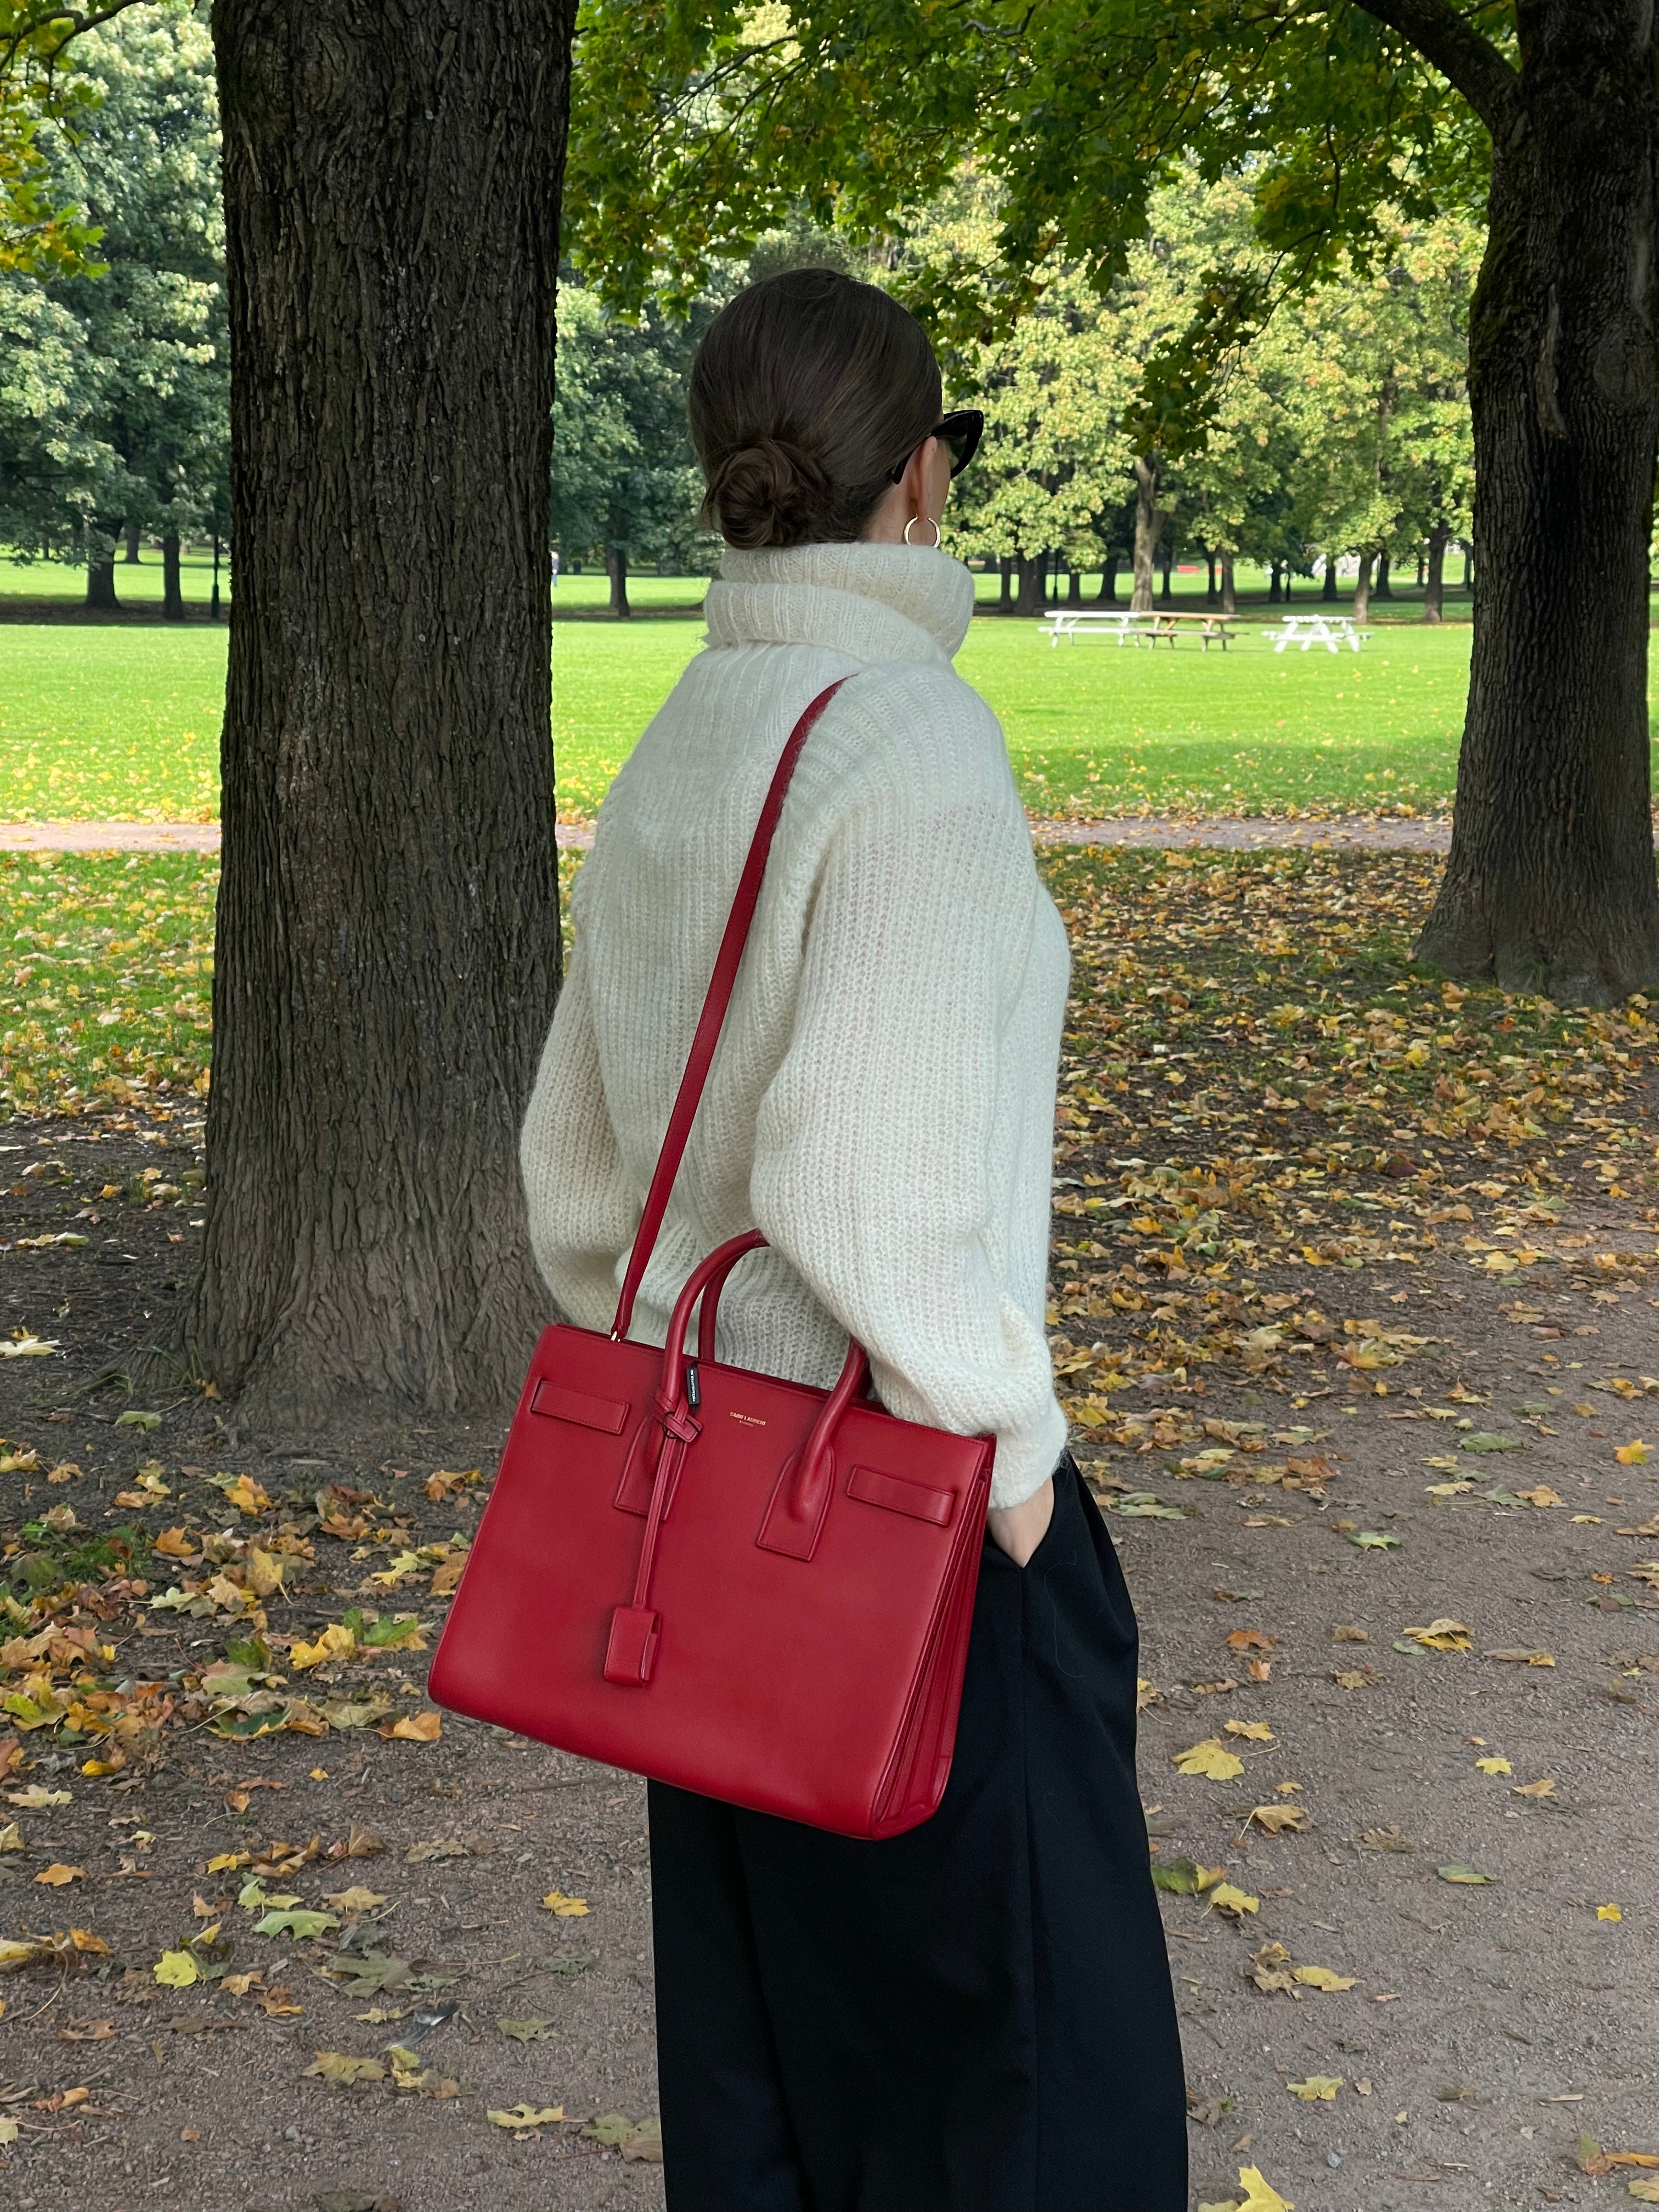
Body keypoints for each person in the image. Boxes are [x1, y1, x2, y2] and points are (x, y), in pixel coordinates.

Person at [519, 266, 1186, 2211]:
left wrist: (687, 1369)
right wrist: (1017, 1465)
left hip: (706, 1515)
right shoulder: (910, 747)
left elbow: (575, 1164)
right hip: (908, 1508)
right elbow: (862, 1188)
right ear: (921, 477)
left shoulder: (689, 730)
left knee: (770, 2074)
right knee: (1025, 2083)